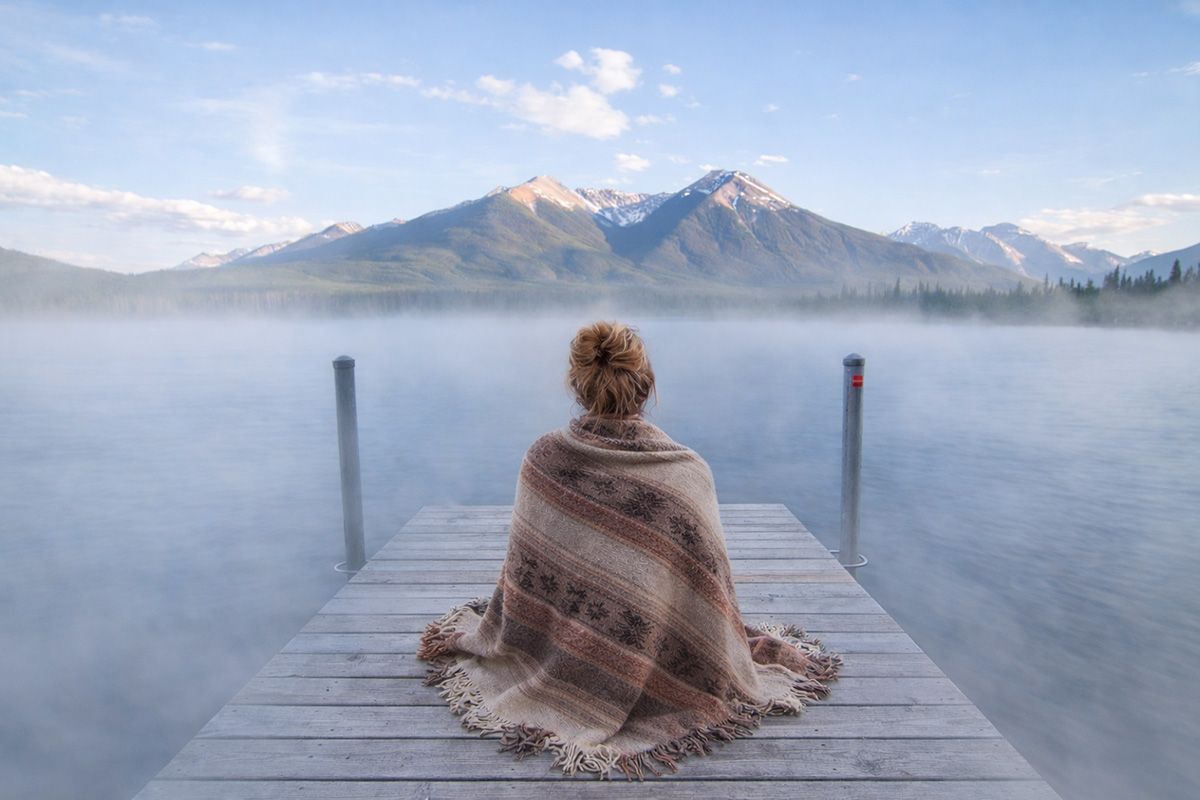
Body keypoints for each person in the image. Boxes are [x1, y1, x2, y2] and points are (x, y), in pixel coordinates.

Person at [417, 320, 840, 780]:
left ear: (575, 384)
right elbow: (710, 593)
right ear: (648, 384)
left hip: (557, 650)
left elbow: (525, 576)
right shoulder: (686, 473)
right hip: (664, 646)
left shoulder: (543, 458)